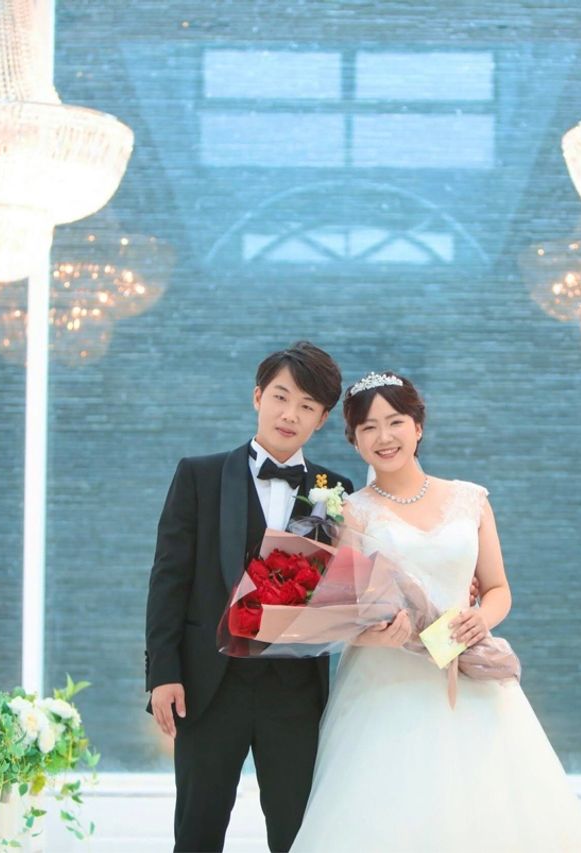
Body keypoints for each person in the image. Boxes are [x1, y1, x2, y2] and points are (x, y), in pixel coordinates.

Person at [290, 372, 581, 852]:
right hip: (385, 682)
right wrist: (375, 635)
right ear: (354, 441)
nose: (384, 436)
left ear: (417, 427)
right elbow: (342, 613)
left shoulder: (470, 499)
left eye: (395, 421)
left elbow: (497, 589)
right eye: (368, 428)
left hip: (470, 673)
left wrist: (482, 618)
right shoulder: (350, 512)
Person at [144, 342, 356, 853]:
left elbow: (339, 589)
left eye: (307, 405)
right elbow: (169, 580)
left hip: (295, 694)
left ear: (322, 419)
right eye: (280, 397)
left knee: (296, 835)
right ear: (258, 396)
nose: (290, 414)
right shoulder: (199, 475)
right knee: (197, 831)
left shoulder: (334, 488)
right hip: (208, 686)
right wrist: (162, 674)